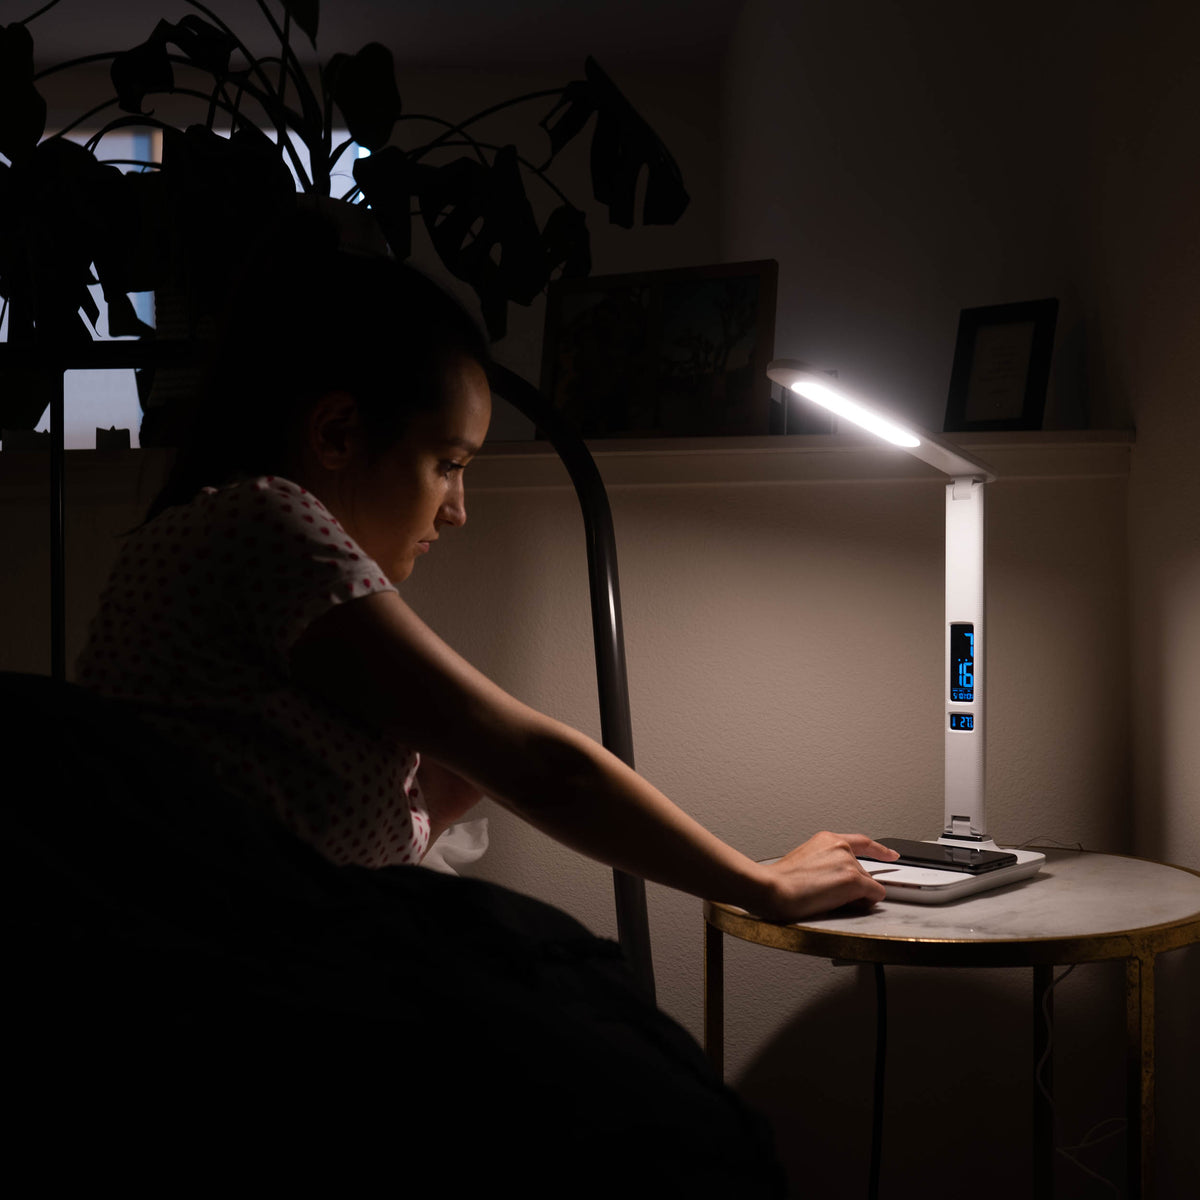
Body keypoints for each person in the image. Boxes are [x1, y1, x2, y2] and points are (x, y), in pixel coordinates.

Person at [77, 214, 898, 926]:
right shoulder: (263, 523)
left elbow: (373, 805)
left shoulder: (232, 551)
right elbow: (541, 765)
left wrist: (449, 780)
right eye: (447, 463)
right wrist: (758, 883)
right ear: (335, 433)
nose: (457, 509)